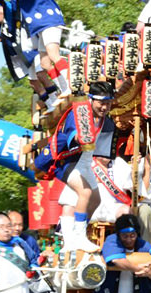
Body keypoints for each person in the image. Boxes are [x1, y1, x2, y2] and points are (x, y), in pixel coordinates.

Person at [36, 81, 118, 251]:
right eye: (101, 103)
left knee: (96, 199)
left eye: (108, 103)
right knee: (85, 192)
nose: (105, 107)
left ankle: (73, 235)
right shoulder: (80, 113)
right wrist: (80, 138)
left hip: (86, 162)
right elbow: (74, 136)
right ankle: (79, 237)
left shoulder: (104, 120)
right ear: (91, 99)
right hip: (67, 160)